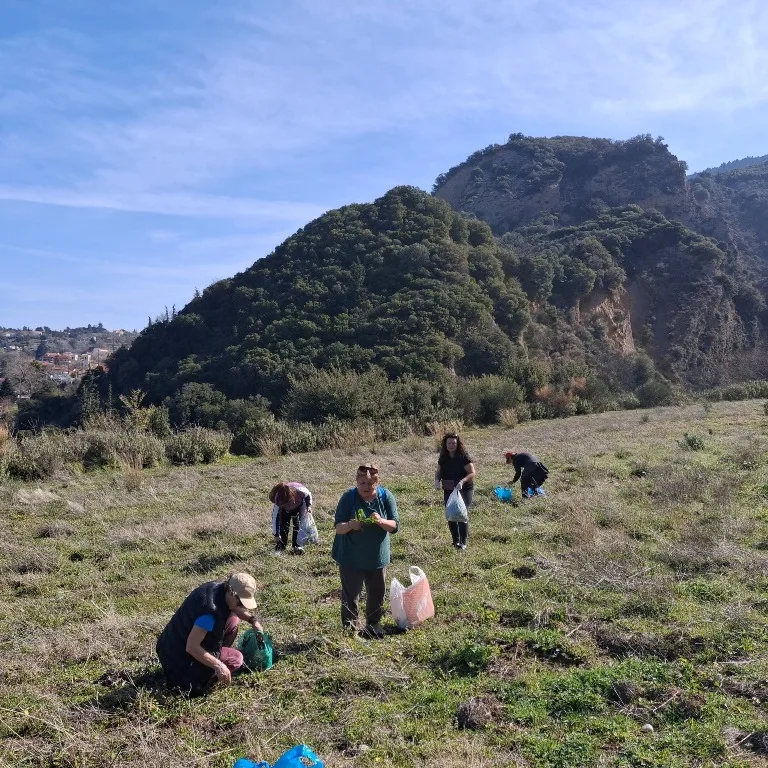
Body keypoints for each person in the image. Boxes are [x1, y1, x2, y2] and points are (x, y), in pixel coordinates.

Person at [156, 572, 263, 696]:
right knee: (236, 659)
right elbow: (191, 647)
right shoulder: (209, 614)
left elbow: (233, 607)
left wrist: (253, 621)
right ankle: (211, 672)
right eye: (241, 602)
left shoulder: (218, 589)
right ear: (232, 592)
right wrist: (219, 666)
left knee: (234, 620)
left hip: (171, 643)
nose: (242, 606)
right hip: (179, 658)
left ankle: (216, 656)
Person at [332, 463, 399, 639]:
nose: (366, 488)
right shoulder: (349, 497)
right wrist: (350, 525)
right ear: (357, 482)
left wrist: (380, 521)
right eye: (362, 483)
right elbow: (338, 527)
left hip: (377, 557)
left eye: (370, 484)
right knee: (351, 595)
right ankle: (350, 630)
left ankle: (373, 624)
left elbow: (394, 526)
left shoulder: (386, 497)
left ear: (377, 483)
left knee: (376, 593)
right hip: (350, 557)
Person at [435, 432, 476, 549]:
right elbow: (438, 472)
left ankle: (463, 543)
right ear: (445, 444)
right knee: (451, 514)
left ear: (458, 444)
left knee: (461, 513)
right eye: (449, 443)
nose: (451, 445)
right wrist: (437, 480)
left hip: (464, 489)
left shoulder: (463, 457)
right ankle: (455, 542)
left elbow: (472, 473)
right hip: (448, 489)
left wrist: (462, 482)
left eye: (454, 443)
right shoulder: (443, 457)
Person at [269, 481, 313, 554]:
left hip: (299, 505)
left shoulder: (301, 491)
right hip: (286, 509)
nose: (288, 508)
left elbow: (308, 495)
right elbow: (275, 517)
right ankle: (281, 546)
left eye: (288, 505)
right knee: (283, 525)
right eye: (284, 505)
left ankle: (297, 545)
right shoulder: (278, 500)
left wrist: (308, 505)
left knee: (298, 524)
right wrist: (276, 534)